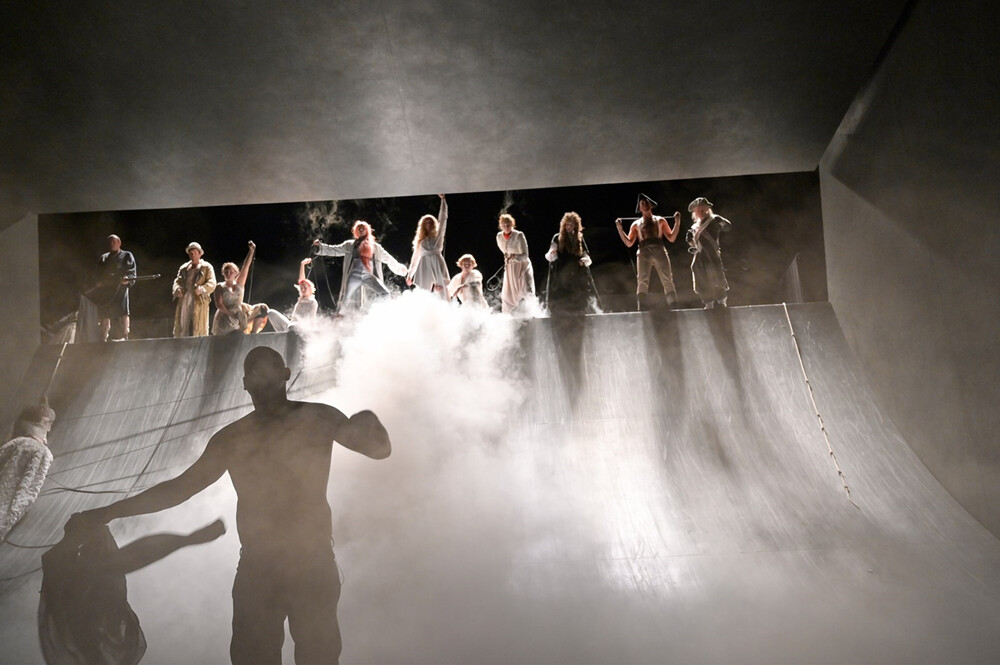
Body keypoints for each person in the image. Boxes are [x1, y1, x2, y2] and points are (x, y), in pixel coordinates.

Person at [72, 347, 392, 664]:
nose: (263, 383)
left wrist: (370, 425)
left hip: (301, 565)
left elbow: (379, 450)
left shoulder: (309, 420)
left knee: (312, 657)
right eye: (258, 376)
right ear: (247, 384)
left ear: (283, 376)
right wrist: (107, 512)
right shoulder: (253, 433)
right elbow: (179, 489)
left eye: (268, 375)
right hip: (268, 568)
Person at [40, 518, 225, 665]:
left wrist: (187, 540)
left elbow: (127, 560)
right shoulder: (92, 590)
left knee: (102, 571)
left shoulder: (88, 593)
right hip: (82, 594)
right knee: (103, 570)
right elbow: (128, 559)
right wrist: (186, 540)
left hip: (81, 596)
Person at [313, 221, 408, 312]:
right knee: (353, 305)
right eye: (359, 228)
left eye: (363, 228)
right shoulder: (349, 245)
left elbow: (388, 259)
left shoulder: (376, 247)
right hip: (355, 278)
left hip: (370, 280)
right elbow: (335, 250)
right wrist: (320, 247)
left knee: (372, 303)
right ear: (355, 231)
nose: (361, 229)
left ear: (368, 230)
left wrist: (400, 268)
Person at [1, 398, 56, 540]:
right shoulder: (42, 453)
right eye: (49, 423)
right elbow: (27, 493)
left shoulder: (15, 442)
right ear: (44, 423)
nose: (50, 427)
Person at [615, 194, 681, 310]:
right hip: (644, 251)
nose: (645, 205)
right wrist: (620, 229)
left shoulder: (660, 220)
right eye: (642, 204)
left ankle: (674, 306)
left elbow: (671, 237)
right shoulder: (636, 224)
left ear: (651, 205)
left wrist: (677, 223)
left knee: (667, 279)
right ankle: (642, 308)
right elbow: (629, 243)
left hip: (659, 249)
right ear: (639, 208)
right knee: (642, 280)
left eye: (646, 203)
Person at [545, 212, 597, 315]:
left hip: (576, 276)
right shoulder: (557, 237)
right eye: (567, 224)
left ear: (575, 226)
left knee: (577, 305)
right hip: (561, 276)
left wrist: (583, 261)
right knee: (562, 305)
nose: (568, 227)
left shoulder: (579, 239)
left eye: (571, 225)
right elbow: (549, 255)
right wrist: (552, 253)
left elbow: (587, 257)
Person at [212, 241, 269, 335]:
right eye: (226, 271)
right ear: (223, 273)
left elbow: (246, 266)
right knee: (236, 333)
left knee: (262, 308)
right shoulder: (220, 286)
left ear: (236, 273)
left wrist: (251, 251)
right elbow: (219, 304)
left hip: (239, 311)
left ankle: (253, 333)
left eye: (231, 271)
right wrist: (230, 315)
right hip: (226, 315)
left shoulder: (239, 283)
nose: (228, 273)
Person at [686, 197, 732, 309]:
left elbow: (727, 227)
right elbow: (689, 240)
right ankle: (708, 302)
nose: (700, 212)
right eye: (698, 210)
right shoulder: (694, 227)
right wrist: (691, 241)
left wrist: (720, 221)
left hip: (711, 255)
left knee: (716, 277)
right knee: (701, 279)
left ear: (707, 209)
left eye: (702, 209)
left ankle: (721, 301)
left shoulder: (714, 220)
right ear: (695, 212)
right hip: (700, 255)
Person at [94, 235, 137, 341]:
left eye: (113, 242)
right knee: (104, 312)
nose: (111, 244)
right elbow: (98, 274)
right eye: (109, 242)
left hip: (120, 287)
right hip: (106, 289)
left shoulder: (127, 255)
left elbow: (131, 271)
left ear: (119, 243)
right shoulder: (104, 257)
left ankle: (125, 335)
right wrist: (99, 283)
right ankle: (103, 337)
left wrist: (128, 278)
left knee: (123, 311)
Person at [406, 194, 449, 297]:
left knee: (441, 293)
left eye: (430, 222)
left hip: (437, 263)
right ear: (423, 225)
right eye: (426, 222)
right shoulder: (421, 241)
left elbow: (443, 218)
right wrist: (410, 275)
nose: (428, 223)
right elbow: (415, 258)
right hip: (424, 266)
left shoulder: (438, 236)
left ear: (434, 224)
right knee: (423, 294)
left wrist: (443, 200)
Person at [172, 242, 217, 337]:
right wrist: (178, 289)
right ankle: (181, 342)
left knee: (199, 323)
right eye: (191, 253)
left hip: (198, 298)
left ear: (200, 253)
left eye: (195, 252)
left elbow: (212, 282)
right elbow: (177, 281)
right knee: (182, 321)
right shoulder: (184, 268)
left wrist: (202, 289)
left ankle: (199, 344)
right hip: (185, 296)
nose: (193, 255)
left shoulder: (206, 267)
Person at [495, 213, 536, 314]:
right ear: (500, 226)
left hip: (523, 266)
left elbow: (525, 255)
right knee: (508, 293)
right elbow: (504, 251)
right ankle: (509, 317)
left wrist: (515, 257)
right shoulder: (499, 236)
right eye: (504, 225)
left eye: (508, 225)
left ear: (512, 224)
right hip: (510, 268)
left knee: (526, 289)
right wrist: (508, 258)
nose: (506, 227)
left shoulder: (519, 235)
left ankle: (531, 313)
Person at [267, 258, 320, 332]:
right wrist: (302, 264)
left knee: (293, 325)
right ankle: (282, 335)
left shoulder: (312, 301)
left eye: (305, 287)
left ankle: (287, 335)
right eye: (301, 288)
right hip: (290, 326)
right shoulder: (301, 298)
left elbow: (312, 319)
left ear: (311, 289)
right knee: (270, 313)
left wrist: (313, 333)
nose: (303, 289)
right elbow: (301, 280)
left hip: (301, 329)